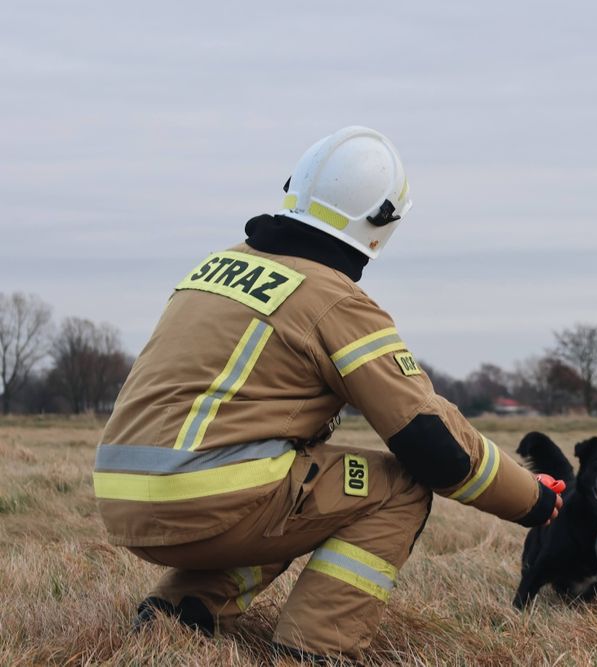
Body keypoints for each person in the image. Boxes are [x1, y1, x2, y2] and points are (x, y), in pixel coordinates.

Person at [93, 126, 561, 662]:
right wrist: (534, 499)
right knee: (400, 486)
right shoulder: (334, 300)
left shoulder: (213, 267)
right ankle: (315, 649)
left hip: (123, 498)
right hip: (211, 499)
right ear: (384, 222)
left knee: (300, 483)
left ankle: (181, 611)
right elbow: (432, 440)